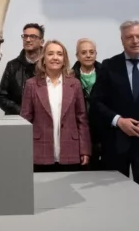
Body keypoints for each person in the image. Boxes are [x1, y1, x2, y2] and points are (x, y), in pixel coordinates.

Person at [91, 21, 139, 194]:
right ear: (122, 40)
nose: (134, 40)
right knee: (115, 199)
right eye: (129, 37)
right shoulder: (109, 66)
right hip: (116, 144)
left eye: (138, 36)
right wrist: (118, 121)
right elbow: (96, 102)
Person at [20, 40, 91, 171]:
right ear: (43, 59)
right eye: (50, 54)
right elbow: (25, 120)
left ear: (64, 60)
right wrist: (23, 151)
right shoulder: (31, 84)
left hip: (70, 150)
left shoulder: (74, 84)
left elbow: (82, 119)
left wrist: (85, 149)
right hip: (40, 151)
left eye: (59, 54)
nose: (55, 57)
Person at [0, 23, 44, 115]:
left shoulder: (49, 66)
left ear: (41, 41)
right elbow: (1, 97)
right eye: (25, 36)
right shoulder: (12, 66)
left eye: (33, 36)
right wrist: (21, 111)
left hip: (43, 122)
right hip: (18, 121)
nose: (28, 40)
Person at [73, 38, 102, 166]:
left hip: (102, 131)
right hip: (79, 130)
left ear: (96, 54)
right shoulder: (69, 76)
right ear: (77, 56)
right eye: (84, 52)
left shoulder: (106, 74)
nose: (88, 55)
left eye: (92, 52)